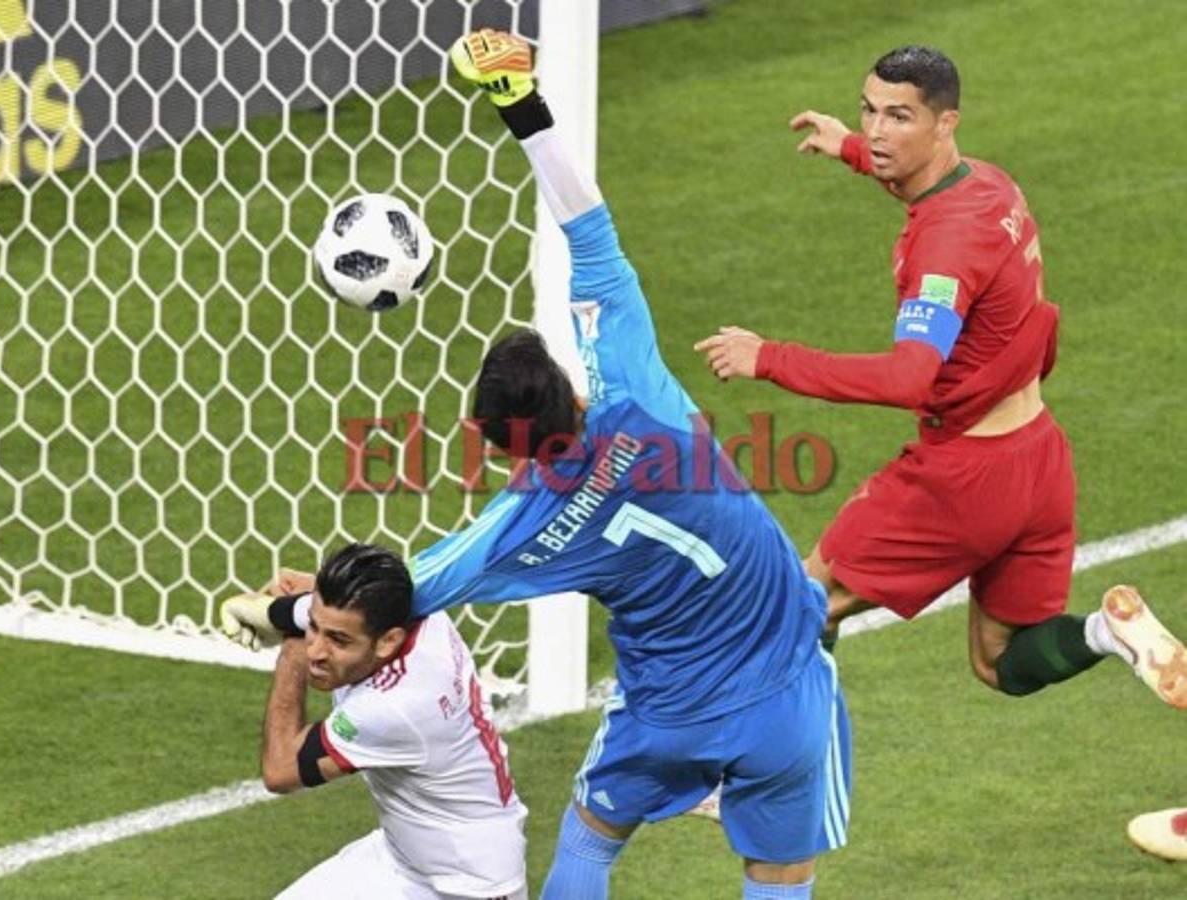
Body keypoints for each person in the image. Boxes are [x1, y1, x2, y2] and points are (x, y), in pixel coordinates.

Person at [227, 29, 853, 900]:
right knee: (779, 869)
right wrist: (517, 98)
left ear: (501, 448)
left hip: (665, 715)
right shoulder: (636, 387)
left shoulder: (526, 524)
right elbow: (586, 225)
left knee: (592, 841)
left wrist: (289, 611)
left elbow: (400, 597)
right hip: (787, 680)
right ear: (564, 384)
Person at [693, 46, 1187, 709]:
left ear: (944, 122)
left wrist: (769, 357)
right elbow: (913, 176)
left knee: (802, 604)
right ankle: (1107, 633)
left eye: (898, 117)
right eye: (867, 111)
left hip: (966, 478)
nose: (874, 131)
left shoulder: (945, 247)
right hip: (1038, 458)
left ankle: (764, 777)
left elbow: (908, 378)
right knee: (1001, 660)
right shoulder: (990, 184)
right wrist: (847, 149)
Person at [219, 543, 528, 900]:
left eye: (337, 641)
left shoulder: (395, 706)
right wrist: (279, 609)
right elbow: (333, 611)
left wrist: (292, 648)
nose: (317, 651)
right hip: (403, 864)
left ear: (388, 642)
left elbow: (281, 770)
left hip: (467, 888)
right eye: (314, 630)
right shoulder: (416, 608)